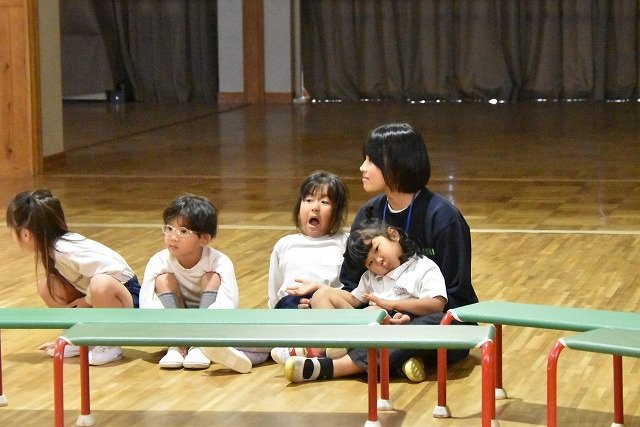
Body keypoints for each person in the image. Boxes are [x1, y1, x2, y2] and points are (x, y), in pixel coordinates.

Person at [290, 122, 479, 377]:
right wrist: (323, 295)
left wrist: (405, 314)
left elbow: (455, 296)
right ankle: (400, 360)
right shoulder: (369, 213)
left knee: (429, 327)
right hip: (377, 315)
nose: (362, 167)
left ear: (394, 164)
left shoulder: (443, 217)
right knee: (300, 302)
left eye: (370, 160)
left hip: (438, 317)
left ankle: (333, 367)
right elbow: (353, 283)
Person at [285, 218, 447, 382]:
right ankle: (332, 345)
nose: (378, 261)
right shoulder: (371, 277)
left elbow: (437, 305)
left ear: (394, 235)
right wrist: (320, 288)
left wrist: (391, 304)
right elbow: (353, 299)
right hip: (368, 327)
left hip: (401, 323)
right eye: (370, 262)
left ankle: (316, 352)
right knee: (321, 295)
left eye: (377, 249)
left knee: (375, 312)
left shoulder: (423, 267)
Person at [6, 189, 141, 365]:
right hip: (99, 298)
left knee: (100, 284)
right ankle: (81, 338)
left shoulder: (66, 250)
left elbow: (114, 273)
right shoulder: (52, 250)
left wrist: (87, 300)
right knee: (48, 287)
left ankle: (110, 344)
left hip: (129, 298)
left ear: (26, 234)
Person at [140, 194, 268, 372]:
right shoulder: (159, 261)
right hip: (176, 325)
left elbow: (229, 306)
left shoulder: (219, 262)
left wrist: (202, 335)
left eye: (183, 231)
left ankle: (200, 346)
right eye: (169, 229)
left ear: (204, 239)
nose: (173, 237)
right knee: (163, 280)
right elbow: (147, 304)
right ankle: (176, 346)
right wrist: (174, 335)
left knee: (211, 278)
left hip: (210, 325)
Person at [267, 170, 348, 362]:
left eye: (324, 202)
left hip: (325, 309)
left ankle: (305, 350)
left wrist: (318, 301)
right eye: (309, 200)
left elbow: (350, 291)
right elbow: (275, 292)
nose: (315, 207)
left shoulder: (345, 243)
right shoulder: (285, 244)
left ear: (337, 211)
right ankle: (241, 354)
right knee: (260, 338)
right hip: (290, 307)